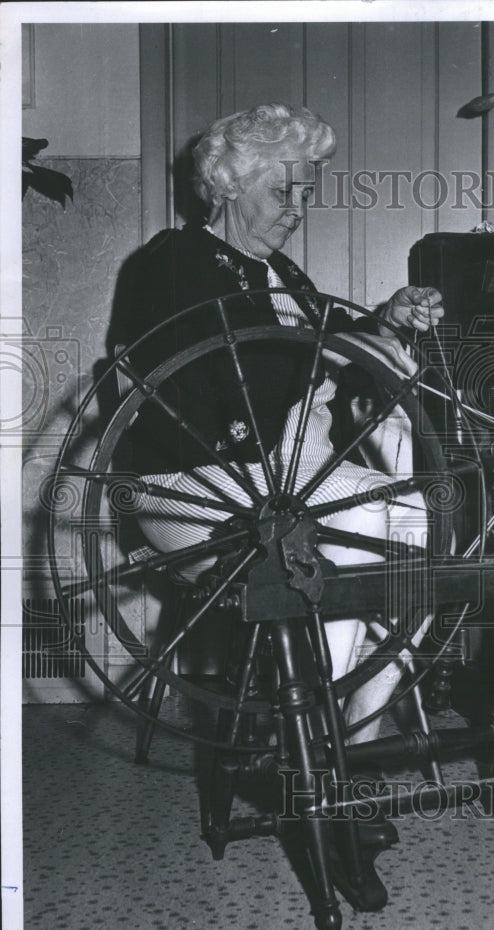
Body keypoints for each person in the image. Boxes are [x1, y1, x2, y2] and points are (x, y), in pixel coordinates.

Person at [110, 102, 443, 749]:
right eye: (281, 190)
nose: (296, 207)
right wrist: (324, 360)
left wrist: (386, 321)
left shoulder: (282, 278)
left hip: (281, 485)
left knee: (413, 520)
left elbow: (321, 341)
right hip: (189, 490)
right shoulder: (170, 265)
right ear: (230, 185)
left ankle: (352, 737)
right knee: (368, 520)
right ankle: (319, 746)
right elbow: (201, 390)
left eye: (305, 193)